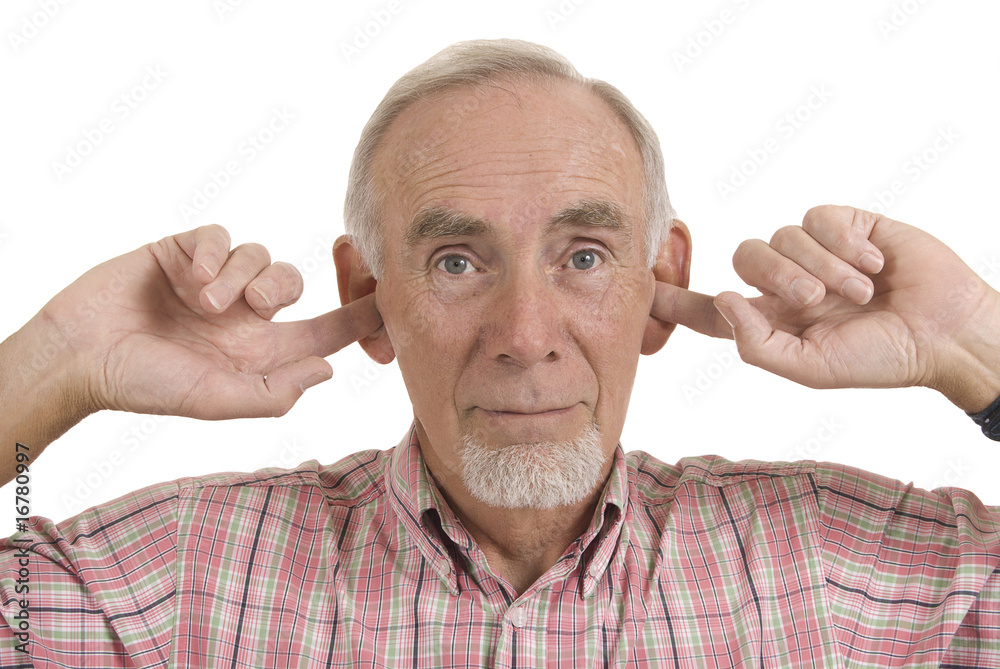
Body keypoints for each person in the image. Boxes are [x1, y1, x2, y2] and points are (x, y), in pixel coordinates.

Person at [1, 38, 998, 667]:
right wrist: (49, 368)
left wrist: (976, 348)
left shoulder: (840, 571)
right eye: (454, 261)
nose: (526, 338)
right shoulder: (177, 585)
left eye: (584, 254)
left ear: (662, 280)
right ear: (368, 297)